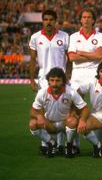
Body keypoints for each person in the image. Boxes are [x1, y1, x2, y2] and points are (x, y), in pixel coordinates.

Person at [29, 9, 71, 154]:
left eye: (51, 19)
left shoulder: (65, 36)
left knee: (61, 110)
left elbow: (69, 59)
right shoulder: (35, 37)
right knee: (45, 111)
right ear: (43, 21)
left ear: (55, 21)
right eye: (45, 19)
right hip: (43, 79)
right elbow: (33, 60)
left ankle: (60, 143)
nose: (48, 22)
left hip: (61, 78)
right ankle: (47, 143)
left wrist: (68, 76)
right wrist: (32, 79)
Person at [29, 67, 89, 158]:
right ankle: (51, 143)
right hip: (50, 124)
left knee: (73, 121)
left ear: (63, 81)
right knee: (32, 123)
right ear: (48, 81)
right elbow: (33, 111)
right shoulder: (42, 92)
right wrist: (39, 116)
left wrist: (83, 120)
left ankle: (69, 145)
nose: (54, 84)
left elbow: (84, 108)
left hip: (66, 124)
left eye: (58, 81)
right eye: (52, 80)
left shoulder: (71, 91)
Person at [68, 8, 102, 152]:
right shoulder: (74, 36)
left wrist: (81, 53)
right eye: (84, 17)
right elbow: (71, 57)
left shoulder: (100, 36)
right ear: (81, 20)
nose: (86, 19)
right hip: (77, 74)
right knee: (75, 109)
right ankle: (75, 145)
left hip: (94, 74)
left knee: (99, 108)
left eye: (89, 17)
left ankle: (98, 143)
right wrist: (92, 54)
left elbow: (100, 56)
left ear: (93, 20)